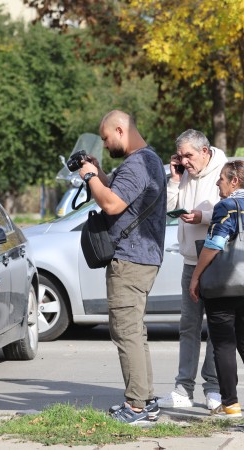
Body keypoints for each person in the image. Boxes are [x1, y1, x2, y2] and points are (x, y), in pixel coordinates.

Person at [79, 110, 167, 424]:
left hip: (131, 259)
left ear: (120, 129)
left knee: (126, 332)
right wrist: (98, 172)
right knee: (135, 333)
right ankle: (147, 400)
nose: (105, 143)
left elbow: (112, 204)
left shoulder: (138, 162)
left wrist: (90, 178)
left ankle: (137, 408)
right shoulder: (145, 161)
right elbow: (115, 193)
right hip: (141, 257)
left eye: (106, 138)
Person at [157, 130, 226, 410]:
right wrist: (174, 180)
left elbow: (230, 210)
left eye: (189, 155)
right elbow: (168, 207)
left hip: (216, 260)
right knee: (188, 326)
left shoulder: (224, 171)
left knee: (218, 328)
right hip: (189, 260)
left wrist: (202, 216)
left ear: (205, 151)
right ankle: (183, 389)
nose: (185, 161)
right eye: (181, 156)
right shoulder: (183, 173)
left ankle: (213, 388)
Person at [189, 160, 244, 418]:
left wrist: (196, 276)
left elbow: (214, 244)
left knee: (223, 344)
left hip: (224, 287)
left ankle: (231, 403)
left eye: (221, 178)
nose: (217, 182)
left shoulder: (228, 206)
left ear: (235, 181)